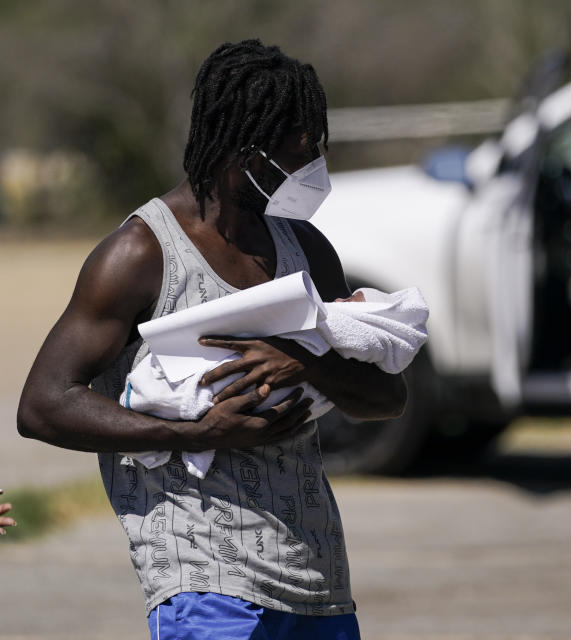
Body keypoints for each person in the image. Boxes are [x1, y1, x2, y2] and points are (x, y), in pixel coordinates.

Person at [16, 39, 406, 639]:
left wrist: (305, 361)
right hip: (201, 579)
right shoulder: (140, 253)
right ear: (242, 152)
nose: (309, 174)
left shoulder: (307, 251)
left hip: (316, 578)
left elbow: (387, 400)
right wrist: (196, 433)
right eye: (293, 159)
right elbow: (43, 405)